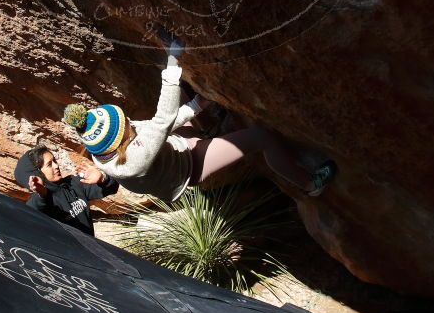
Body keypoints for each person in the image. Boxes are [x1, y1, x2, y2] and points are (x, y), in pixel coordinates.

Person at [61, 40, 337, 203]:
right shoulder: (135, 160)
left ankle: (208, 127)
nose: (130, 122)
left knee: (183, 94)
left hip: (172, 151)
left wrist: (194, 106)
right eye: (125, 125)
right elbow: (162, 120)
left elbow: (160, 128)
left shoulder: (103, 150)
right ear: (122, 138)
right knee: (261, 137)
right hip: (187, 168)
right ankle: (310, 183)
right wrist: (173, 62)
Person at [14, 146, 119, 236]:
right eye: (49, 164)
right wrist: (41, 194)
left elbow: (112, 188)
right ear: (37, 174)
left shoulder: (73, 183)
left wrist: (102, 178)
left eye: (54, 161)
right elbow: (36, 209)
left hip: (92, 249)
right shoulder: (38, 202)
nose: (56, 166)